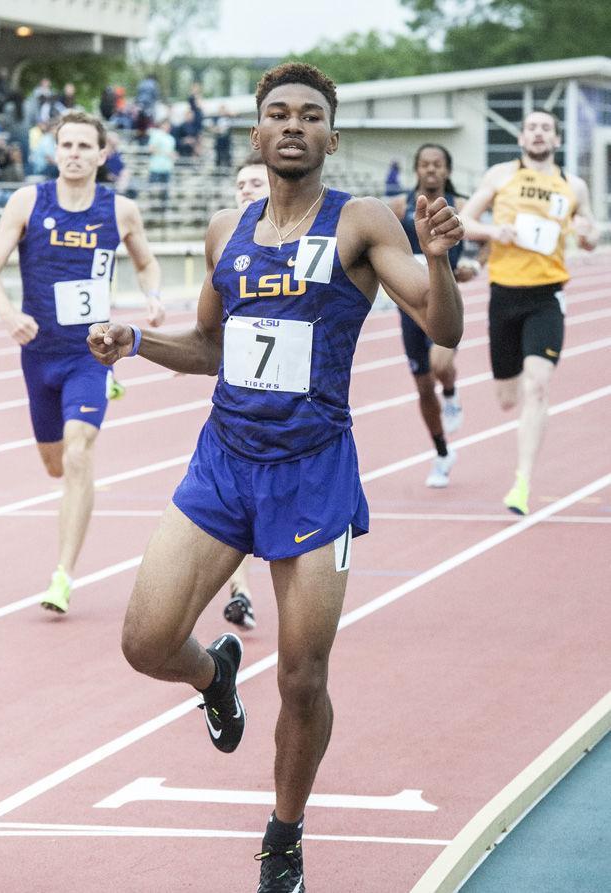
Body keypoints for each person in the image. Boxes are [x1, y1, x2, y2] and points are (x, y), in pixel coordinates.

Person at [87, 63, 462, 892]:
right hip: (224, 461)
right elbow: (213, 348)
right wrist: (137, 342)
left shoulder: (363, 222)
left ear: (333, 136)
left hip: (313, 472)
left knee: (302, 674)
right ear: (257, 136)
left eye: (311, 115)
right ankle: (213, 673)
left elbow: (441, 325)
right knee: (145, 641)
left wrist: (436, 260)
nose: (294, 125)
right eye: (278, 115)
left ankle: (284, 836)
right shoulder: (229, 229)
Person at [0, 110, 165, 614]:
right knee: (55, 463)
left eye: (85, 146)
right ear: (54, 151)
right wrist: (8, 312)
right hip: (38, 354)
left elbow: (145, 261)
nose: (75, 154)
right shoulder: (28, 202)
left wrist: (153, 296)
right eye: (67, 145)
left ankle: (62, 575)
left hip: (91, 353)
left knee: (80, 453)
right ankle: (92, 403)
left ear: (103, 154)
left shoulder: (120, 210)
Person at [460, 109, 599, 515]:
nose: (539, 134)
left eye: (546, 129)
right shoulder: (500, 176)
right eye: (532, 128)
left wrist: (588, 234)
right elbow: (465, 221)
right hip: (504, 295)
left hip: (547, 296)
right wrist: (492, 231)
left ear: (556, 140)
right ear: (521, 138)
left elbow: (589, 235)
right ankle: (518, 402)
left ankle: (521, 482)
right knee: (507, 397)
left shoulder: (572, 185)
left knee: (537, 386)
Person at [387, 143, 478, 488]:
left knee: (441, 365)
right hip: (409, 304)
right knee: (424, 387)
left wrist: (473, 264)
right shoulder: (399, 207)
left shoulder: (464, 206)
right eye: (424, 164)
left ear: (447, 170)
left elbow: (485, 240)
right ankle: (442, 453)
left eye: (437, 165)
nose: (430, 170)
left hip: (444, 301)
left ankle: (452, 394)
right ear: (416, 169)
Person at [221, 153, 271, 631]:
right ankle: (241, 589)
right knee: (234, 496)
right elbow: (213, 313)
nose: (246, 190)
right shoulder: (226, 237)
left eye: (255, 181)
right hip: (235, 394)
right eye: (240, 183)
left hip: (294, 408)